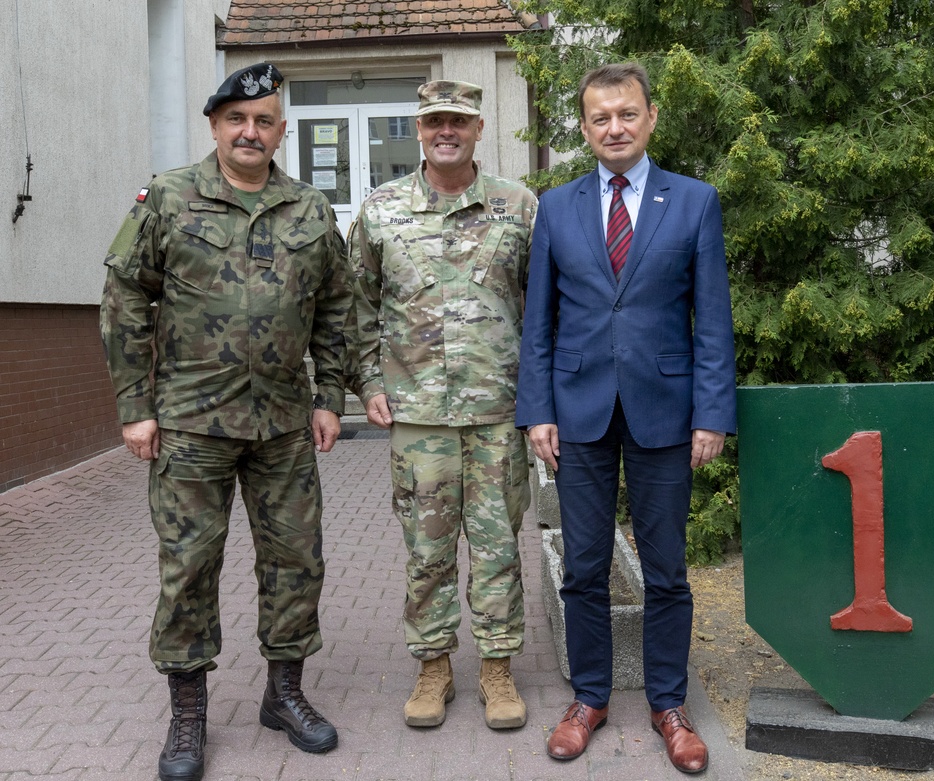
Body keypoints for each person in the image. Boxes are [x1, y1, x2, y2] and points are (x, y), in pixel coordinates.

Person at [99, 63, 354, 781]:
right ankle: (188, 714)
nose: (251, 131)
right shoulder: (169, 198)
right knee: (189, 568)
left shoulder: (309, 209)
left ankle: (285, 694)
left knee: (296, 561)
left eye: (265, 120)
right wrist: (134, 407)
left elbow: (338, 306)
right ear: (215, 125)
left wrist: (329, 395)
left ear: (282, 130)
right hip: (190, 422)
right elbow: (124, 300)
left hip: (282, 425)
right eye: (237, 119)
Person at [515, 62, 737, 772]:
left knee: (666, 567)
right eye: (600, 117)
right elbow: (539, 323)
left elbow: (713, 322)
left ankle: (670, 702)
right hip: (576, 411)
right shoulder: (556, 206)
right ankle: (589, 697)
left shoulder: (694, 202)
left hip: (665, 411)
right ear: (584, 127)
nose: (614, 127)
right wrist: (537, 409)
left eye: (627, 114)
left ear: (651, 118)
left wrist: (712, 413)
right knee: (583, 567)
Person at [350, 80, 536, 731]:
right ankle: (433, 665)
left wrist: (542, 403)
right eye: (434, 122)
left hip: (496, 415)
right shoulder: (381, 211)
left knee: (497, 548)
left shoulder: (519, 205)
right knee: (427, 552)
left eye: (458, 120)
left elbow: (546, 312)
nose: (446, 130)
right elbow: (359, 307)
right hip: (419, 419)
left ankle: (496, 666)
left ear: (479, 128)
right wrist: (369, 384)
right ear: (420, 130)